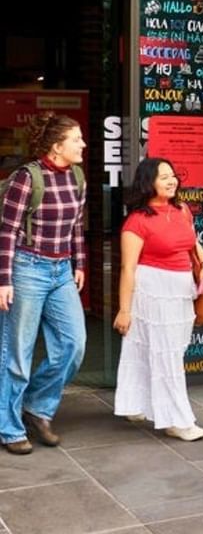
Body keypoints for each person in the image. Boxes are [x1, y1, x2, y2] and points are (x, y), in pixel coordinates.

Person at [0, 112, 87, 455]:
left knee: (74, 344)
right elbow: (6, 232)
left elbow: (77, 226)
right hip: (27, 268)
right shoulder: (27, 177)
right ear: (56, 146)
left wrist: (79, 263)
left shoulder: (77, 176)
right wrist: (3, 280)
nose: (82, 144)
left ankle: (36, 406)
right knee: (17, 354)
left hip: (62, 270)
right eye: (76, 139)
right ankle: (9, 428)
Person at [113, 157, 203, 440]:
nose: (172, 181)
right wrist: (124, 310)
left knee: (165, 349)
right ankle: (176, 420)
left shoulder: (181, 209)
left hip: (181, 289)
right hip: (151, 290)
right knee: (163, 353)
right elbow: (128, 268)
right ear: (148, 183)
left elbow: (192, 242)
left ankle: (135, 403)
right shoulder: (137, 221)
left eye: (173, 176)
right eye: (163, 177)